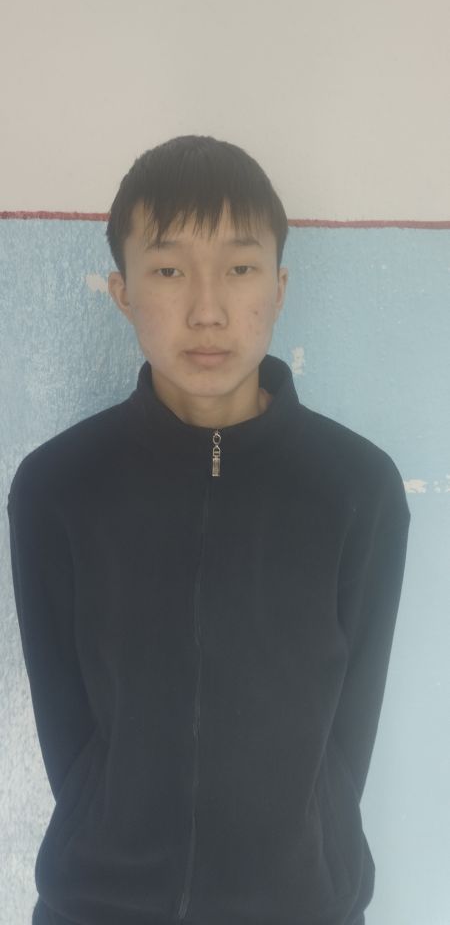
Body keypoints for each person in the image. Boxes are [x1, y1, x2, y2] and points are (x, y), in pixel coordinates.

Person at [7, 134, 410, 925]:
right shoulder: (59, 486)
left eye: (240, 268)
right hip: (98, 908)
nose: (208, 309)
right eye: (168, 270)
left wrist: (316, 864)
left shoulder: (356, 486)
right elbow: (67, 724)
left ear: (280, 287)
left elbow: (350, 728)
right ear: (122, 292)